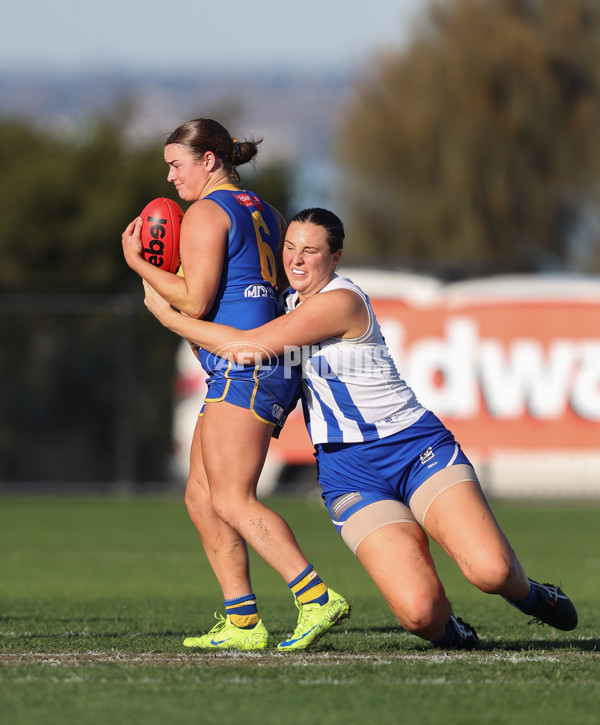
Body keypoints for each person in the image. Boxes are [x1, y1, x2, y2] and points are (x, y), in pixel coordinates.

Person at [141, 206, 578, 650]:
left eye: (310, 251)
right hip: (348, 472)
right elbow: (228, 355)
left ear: (335, 259)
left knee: (491, 572)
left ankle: (533, 595)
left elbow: (248, 348)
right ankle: (456, 632)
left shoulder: (340, 300)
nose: (296, 259)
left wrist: (168, 313)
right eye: (289, 247)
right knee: (419, 614)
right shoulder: (283, 306)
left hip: (411, 446)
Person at [122, 123, 350, 653]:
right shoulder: (263, 208)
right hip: (259, 361)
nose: (170, 175)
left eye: (177, 163)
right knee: (202, 497)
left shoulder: (206, 211)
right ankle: (243, 622)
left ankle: (315, 596)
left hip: (245, 363)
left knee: (230, 496)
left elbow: (196, 300)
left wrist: (140, 265)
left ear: (208, 160)